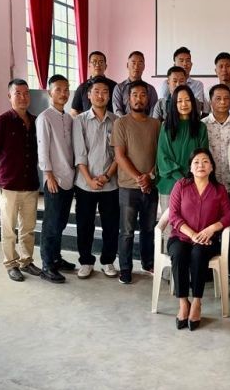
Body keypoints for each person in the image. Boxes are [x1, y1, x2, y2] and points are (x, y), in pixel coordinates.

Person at [167, 149, 230, 331]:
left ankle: (196, 302)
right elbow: (173, 215)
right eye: (196, 162)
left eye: (205, 162)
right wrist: (192, 234)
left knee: (198, 253)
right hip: (180, 237)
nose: (201, 165)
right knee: (179, 254)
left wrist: (212, 228)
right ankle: (183, 303)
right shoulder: (181, 186)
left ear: (212, 167)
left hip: (207, 241)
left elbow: (229, 216)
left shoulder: (219, 190)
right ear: (190, 167)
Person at [0, 79, 42, 281]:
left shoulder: (36, 121)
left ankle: (26, 261)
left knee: (28, 228)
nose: (22, 97)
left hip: (30, 184)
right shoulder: (1, 121)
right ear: (9, 96)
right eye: (17, 93)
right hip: (8, 185)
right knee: (9, 228)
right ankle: (11, 264)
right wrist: (5, 169)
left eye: (26, 93)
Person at [113, 81, 161, 285]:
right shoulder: (121, 123)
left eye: (143, 95)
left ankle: (148, 262)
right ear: (128, 98)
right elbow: (120, 156)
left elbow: (161, 155)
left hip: (151, 186)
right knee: (126, 231)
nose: (139, 98)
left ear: (148, 99)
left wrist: (149, 177)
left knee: (149, 228)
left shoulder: (156, 124)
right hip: (128, 187)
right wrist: (139, 178)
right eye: (135, 95)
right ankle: (125, 268)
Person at [72, 79, 120, 278]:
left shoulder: (117, 121)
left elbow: (120, 154)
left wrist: (107, 175)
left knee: (111, 224)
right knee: (85, 224)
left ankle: (108, 260)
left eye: (105, 92)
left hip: (111, 183)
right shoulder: (80, 121)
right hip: (85, 183)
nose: (101, 95)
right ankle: (85, 260)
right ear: (89, 95)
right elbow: (79, 153)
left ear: (109, 96)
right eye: (96, 91)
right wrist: (90, 179)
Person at [37, 75, 77, 283]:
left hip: (68, 178)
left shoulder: (69, 118)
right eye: (58, 89)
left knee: (61, 222)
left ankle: (56, 257)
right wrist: (48, 174)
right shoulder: (44, 118)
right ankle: (47, 265)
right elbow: (42, 149)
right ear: (50, 92)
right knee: (51, 224)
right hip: (54, 179)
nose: (63, 93)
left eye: (66, 89)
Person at [156, 85, 209, 213]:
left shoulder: (201, 127)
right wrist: (181, 178)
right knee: (169, 229)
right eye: (179, 101)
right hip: (169, 185)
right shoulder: (166, 126)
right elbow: (163, 157)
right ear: (174, 104)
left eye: (187, 100)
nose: (184, 104)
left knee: (190, 227)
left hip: (194, 184)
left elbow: (203, 157)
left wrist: (190, 179)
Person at [203, 84, 230, 194]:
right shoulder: (202, 125)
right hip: (208, 184)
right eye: (218, 98)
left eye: (226, 98)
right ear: (210, 102)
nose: (223, 102)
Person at [158, 47, 207, 115]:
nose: (185, 64)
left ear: (191, 64)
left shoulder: (197, 84)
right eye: (181, 61)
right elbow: (162, 105)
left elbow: (197, 107)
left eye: (188, 60)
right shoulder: (166, 83)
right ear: (174, 65)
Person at [70, 51, 117, 115]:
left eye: (101, 62)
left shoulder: (114, 86)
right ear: (89, 66)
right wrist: (82, 123)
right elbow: (74, 111)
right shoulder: (82, 87)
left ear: (105, 66)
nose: (97, 65)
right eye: (94, 62)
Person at [112, 51, 157, 116]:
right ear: (127, 65)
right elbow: (117, 111)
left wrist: (147, 124)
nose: (136, 67)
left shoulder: (150, 89)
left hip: (146, 125)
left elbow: (153, 112)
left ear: (144, 66)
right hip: (125, 125)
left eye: (140, 63)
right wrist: (126, 124)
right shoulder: (119, 88)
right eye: (133, 63)